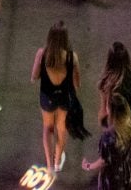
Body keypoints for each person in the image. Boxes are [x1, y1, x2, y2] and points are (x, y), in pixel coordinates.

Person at [32, 22, 80, 177]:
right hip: (64, 98)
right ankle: (58, 161)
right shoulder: (72, 57)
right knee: (61, 129)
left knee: (47, 128)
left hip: (47, 97)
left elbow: (33, 77)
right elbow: (76, 84)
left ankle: (49, 164)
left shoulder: (42, 54)